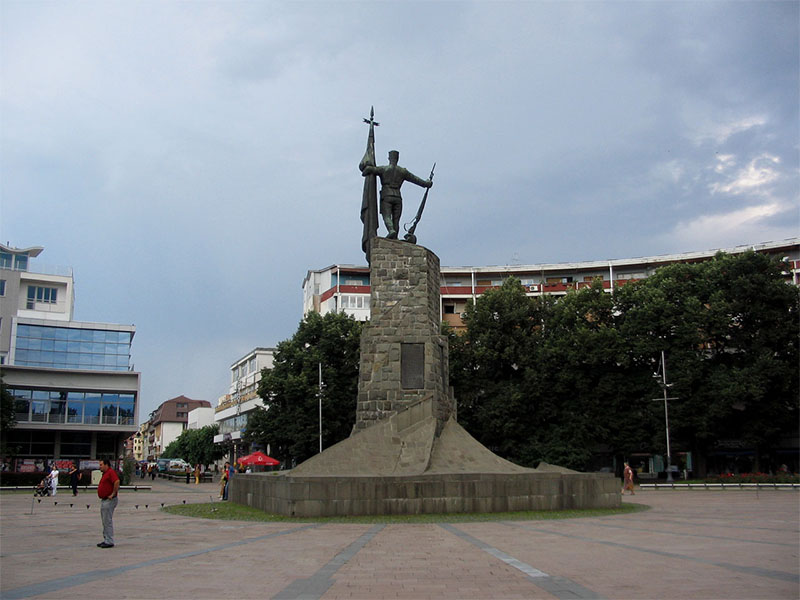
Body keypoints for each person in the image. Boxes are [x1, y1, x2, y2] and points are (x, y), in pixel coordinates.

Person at [362, 150, 432, 239]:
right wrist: (426, 183)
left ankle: (391, 230)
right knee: (396, 219)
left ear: (389, 158)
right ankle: (395, 237)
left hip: (386, 196)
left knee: (387, 216)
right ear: (397, 159)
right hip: (398, 197)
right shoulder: (403, 171)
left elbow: (367, 170)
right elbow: (415, 179)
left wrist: (366, 165)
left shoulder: (384, 169)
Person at [97, 459, 120, 548]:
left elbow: (116, 481)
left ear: (106, 465)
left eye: (101, 465)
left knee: (107, 521)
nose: (100, 467)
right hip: (104, 500)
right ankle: (106, 538)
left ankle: (109, 541)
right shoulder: (105, 474)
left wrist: (113, 493)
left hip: (109, 500)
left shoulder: (111, 472)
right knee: (105, 520)